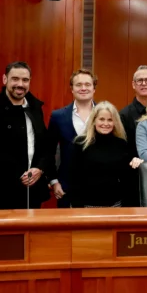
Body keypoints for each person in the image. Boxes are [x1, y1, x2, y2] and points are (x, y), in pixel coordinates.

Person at [0, 61, 53, 209]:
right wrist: (22, 174)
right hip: (3, 189)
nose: (20, 84)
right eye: (15, 79)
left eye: (25, 80)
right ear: (5, 80)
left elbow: (45, 145)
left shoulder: (35, 107)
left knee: (34, 231)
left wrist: (39, 169)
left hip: (34, 188)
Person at [69, 102, 141, 208]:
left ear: (115, 122)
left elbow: (127, 179)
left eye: (110, 120)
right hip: (87, 206)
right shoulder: (80, 143)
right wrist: (77, 208)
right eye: (101, 119)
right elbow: (74, 177)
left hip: (115, 205)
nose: (105, 123)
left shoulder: (121, 144)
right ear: (94, 121)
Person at [46, 69, 96, 207]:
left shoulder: (105, 115)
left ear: (94, 89)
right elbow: (48, 152)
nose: (83, 88)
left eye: (88, 84)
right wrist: (53, 181)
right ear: (72, 89)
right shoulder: (58, 116)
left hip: (98, 188)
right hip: (66, 188)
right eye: (78, 84)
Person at [120, 65, 147, 205]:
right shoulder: (124, 115)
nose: (144, 83)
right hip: (134, 179)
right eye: (139, 80)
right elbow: (121, 150)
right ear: (133, 85)